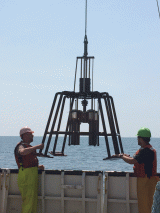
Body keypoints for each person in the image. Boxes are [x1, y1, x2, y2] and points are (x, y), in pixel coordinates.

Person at [114, 127, 158, 213]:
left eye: (138, 137)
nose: (137, 139)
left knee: (145, 206)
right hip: (147, 181)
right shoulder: (146, 150)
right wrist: (124, 156)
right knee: (146, 205)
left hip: (146, 182)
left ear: (141, 138)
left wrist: (121, 156)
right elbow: (137, 159)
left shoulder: (146, 151)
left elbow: (132, 161)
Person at [14, 126, 44, 213]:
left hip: (31, 175)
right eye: (31, 134)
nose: (33, 136)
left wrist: (37, 166)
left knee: (32, 201)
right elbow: (22, 152)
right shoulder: (20, 146)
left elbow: (27, 161)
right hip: (26, 176)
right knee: (28, 202)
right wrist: (37, 147)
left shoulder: (27, 147)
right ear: (25, 135)